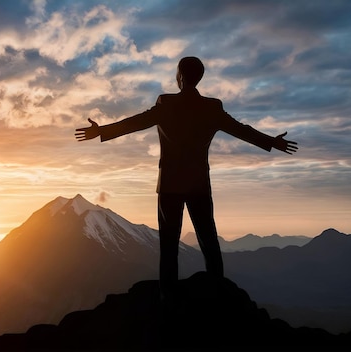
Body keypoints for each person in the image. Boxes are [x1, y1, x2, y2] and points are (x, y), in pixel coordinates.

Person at [75, 56, 297, 299]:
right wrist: (272, 142)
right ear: (199, 77)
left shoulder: (165, 103)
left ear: (179, 76)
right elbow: (241, 130)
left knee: (169, 244)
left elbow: (135, 123)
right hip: (199, 184)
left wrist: (101, 131)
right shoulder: (213, 108)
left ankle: (168, 296)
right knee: (209, 239)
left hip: (170, 184)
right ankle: (217, 290)